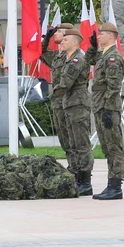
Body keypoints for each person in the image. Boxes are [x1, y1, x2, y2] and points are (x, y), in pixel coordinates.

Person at [46, 28, 96, 196]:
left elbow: (65, 83)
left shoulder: (77, 60)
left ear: (75, 42)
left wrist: (50, 96)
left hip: (78, 105)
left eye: (66, 39)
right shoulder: (68, 59)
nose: (62, 41)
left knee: (81, 144)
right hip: (69, 104)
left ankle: (85, 181)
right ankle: (76, 175)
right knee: (72, 143)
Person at [91, 22, 124, 200]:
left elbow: (113, 86)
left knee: (114, 146)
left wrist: (107, 107)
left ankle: (115, 186)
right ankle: (111, 184)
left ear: (111, 36)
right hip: (100, 105)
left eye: (102, 34)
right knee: (107, 146)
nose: (99, 36)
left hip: (108, 107)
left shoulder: (113, 58)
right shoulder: (104, 55)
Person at [40, 23, 76, 170]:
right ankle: (72, 166)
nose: (56, 34)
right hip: (58, 103)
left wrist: (49, 96)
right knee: (64, 138)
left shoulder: (74, 57)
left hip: (70, 102)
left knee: (73, 139)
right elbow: (40, 51)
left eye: (59, 32)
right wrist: (47, 37)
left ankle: (78, 170)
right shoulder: (57, 56)